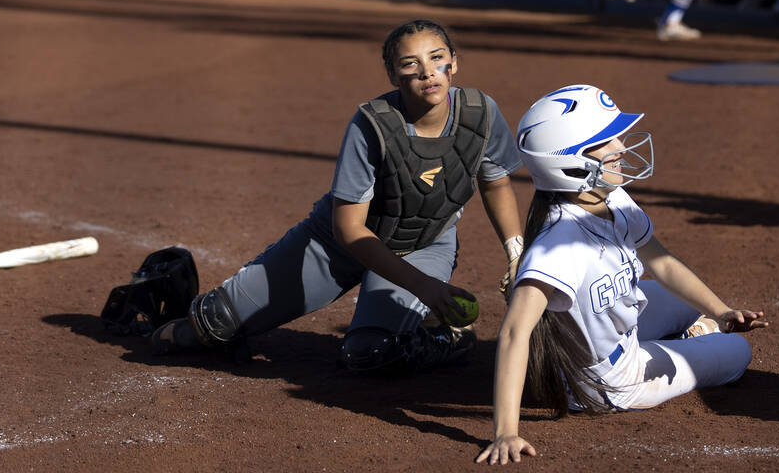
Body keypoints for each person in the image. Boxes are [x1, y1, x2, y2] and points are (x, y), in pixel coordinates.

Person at [149, 18, 526, 374]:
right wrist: (425, 287)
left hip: (422, 244)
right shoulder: (373, 125)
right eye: (410, 63)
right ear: (393, 74)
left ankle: (443, 338)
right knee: (214, 322)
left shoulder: (480, 114)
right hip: (336, 244)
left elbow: (494, 183)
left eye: (437, 58)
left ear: (454, 64)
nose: (427, 71)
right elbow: (349, 230)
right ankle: (168, 302)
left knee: (371, 353)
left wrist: (515, 252)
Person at [476, 84, 767, 464]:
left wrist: (721, 309)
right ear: (568, 160)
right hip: (609, 380)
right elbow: (516, 331)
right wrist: (506, 432)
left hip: (611, 333)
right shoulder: (558, 243)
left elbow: (661, 262)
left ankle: (690, 332)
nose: (622, 148)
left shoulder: (609, 196)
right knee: (737, 352)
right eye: (607, 140)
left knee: (681, 301)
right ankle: (689, 340)